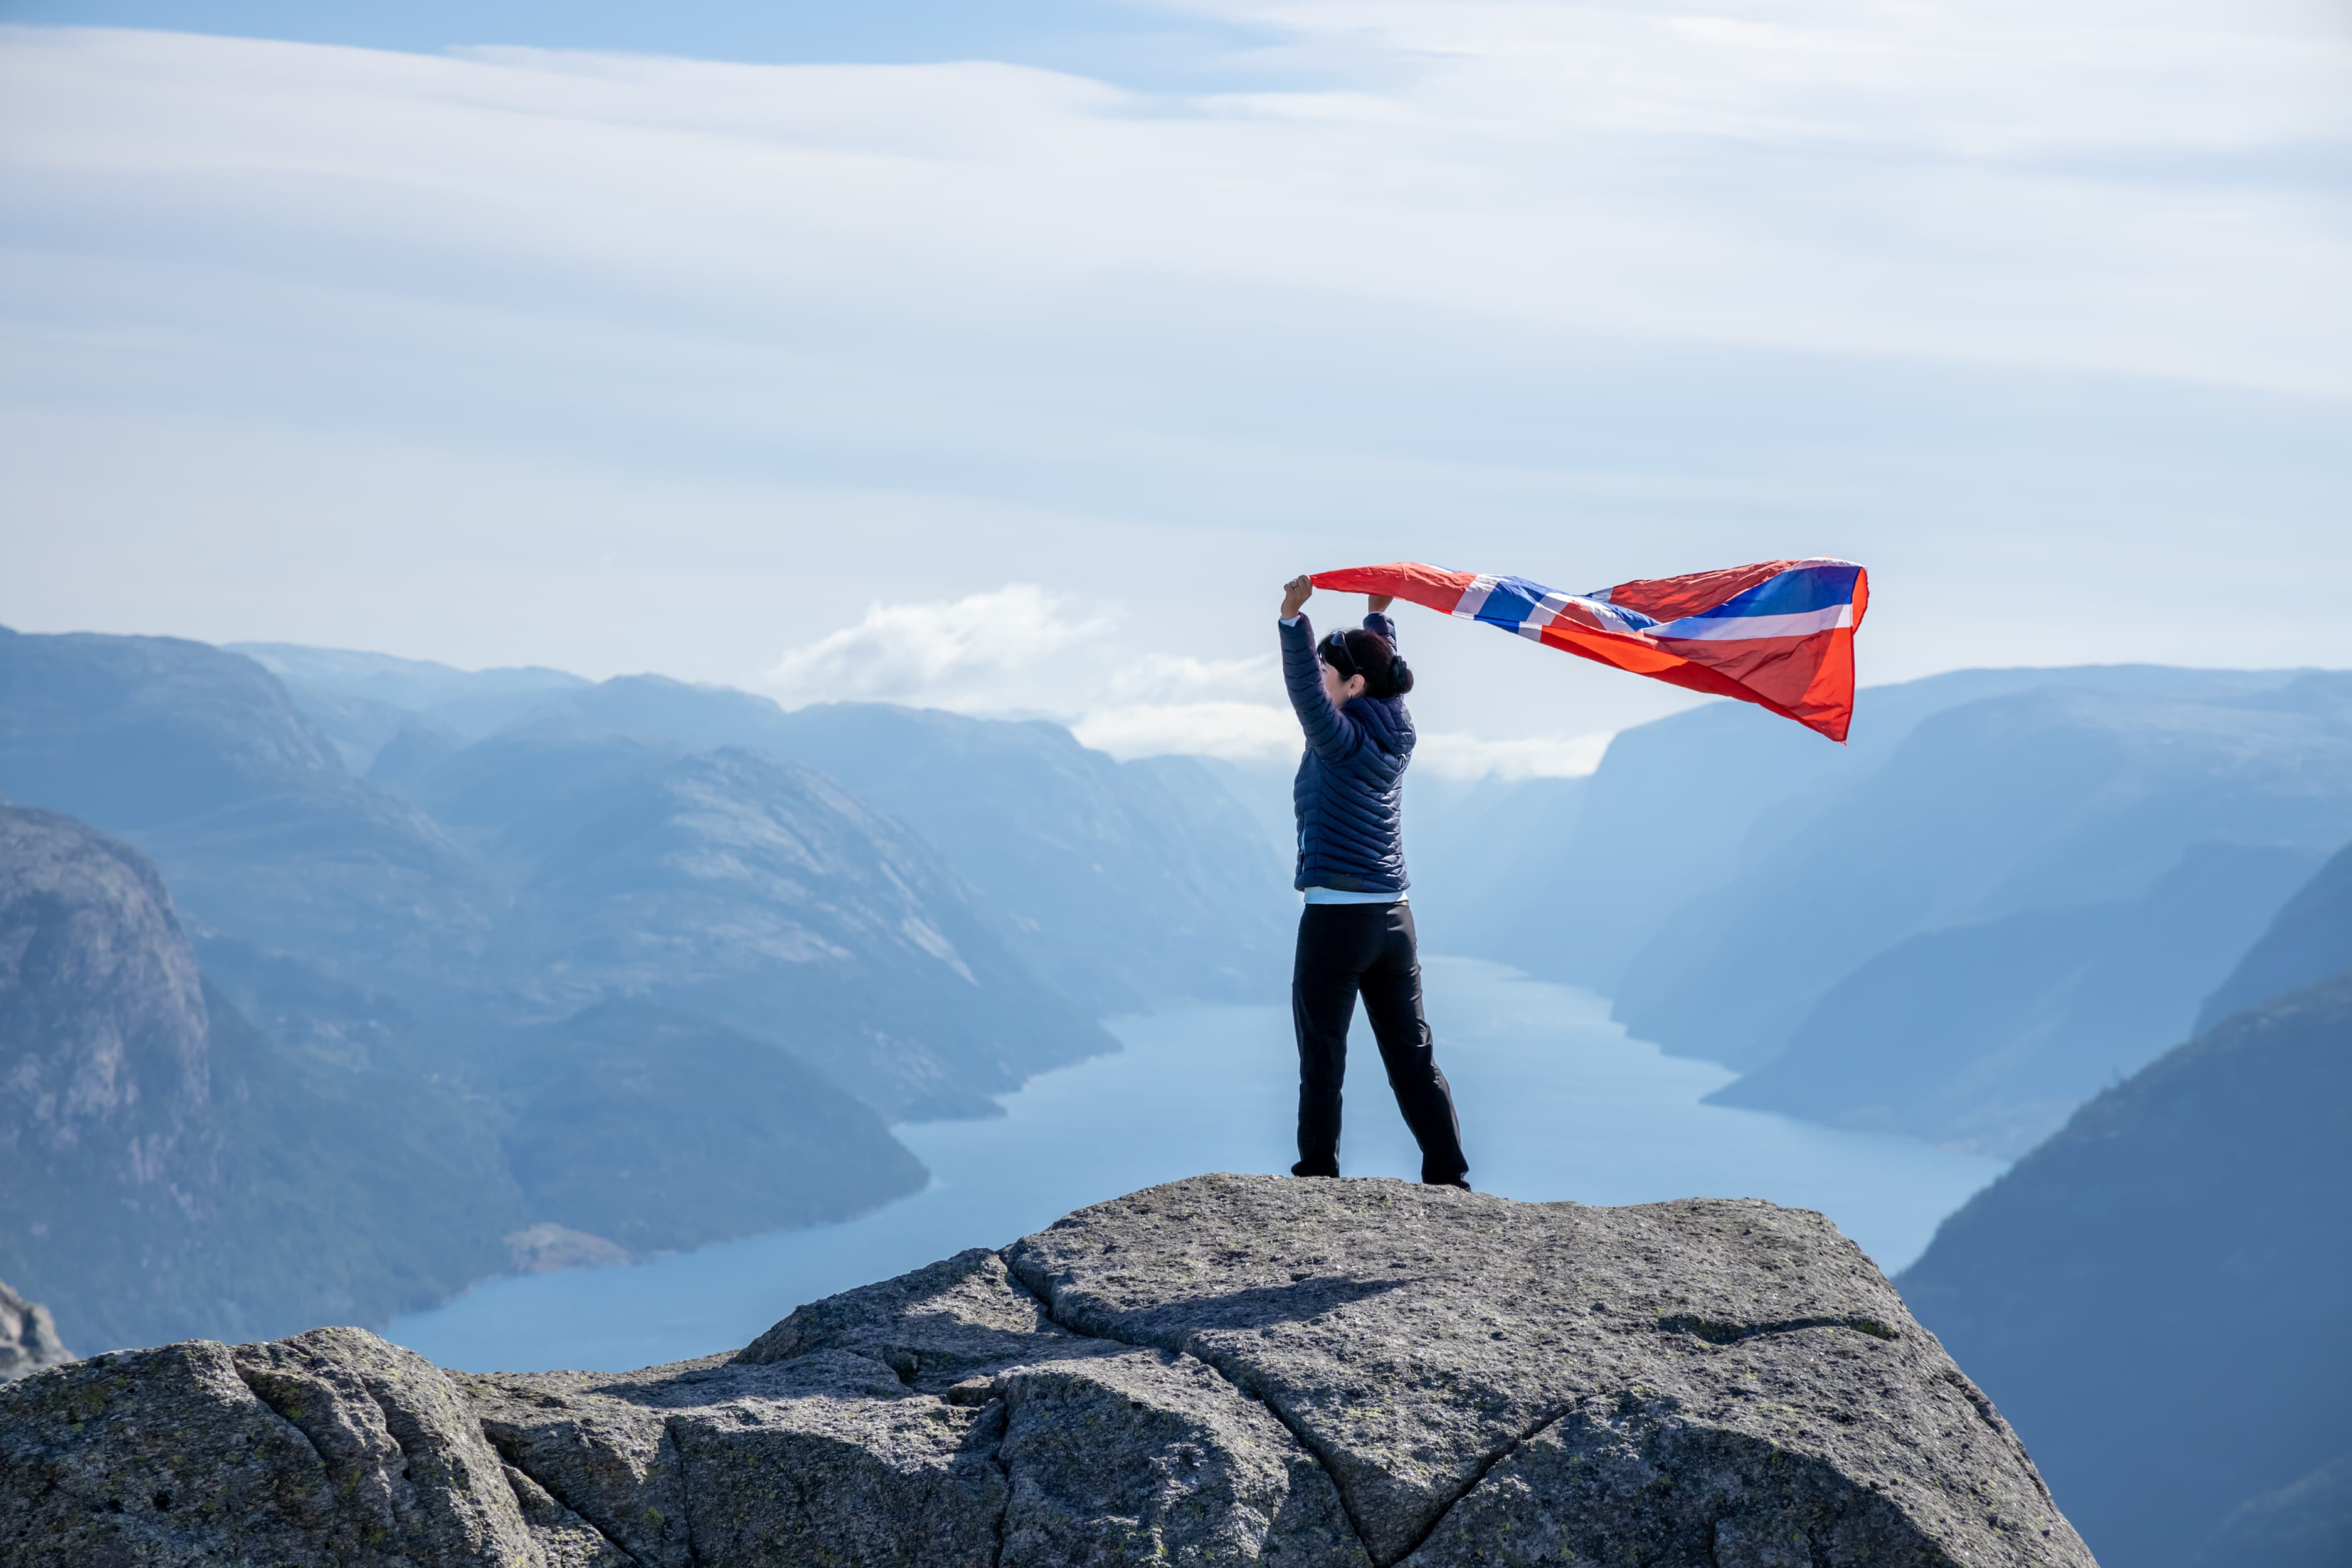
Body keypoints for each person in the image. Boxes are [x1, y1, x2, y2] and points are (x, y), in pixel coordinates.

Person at [1277, 573, 1470, 1189]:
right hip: (1396, 922)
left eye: (1329, 672)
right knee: (1413, 1060)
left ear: (1353, 685)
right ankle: (1449, 1176)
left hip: (1337, 921)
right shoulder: (1396, 725)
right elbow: (1380, 669)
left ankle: (1316, 1175)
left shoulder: (1337, 740)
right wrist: (1378, 617)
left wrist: (1291, 619)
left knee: (1323, 1057)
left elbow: (1305, 693)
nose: (1320, 678)